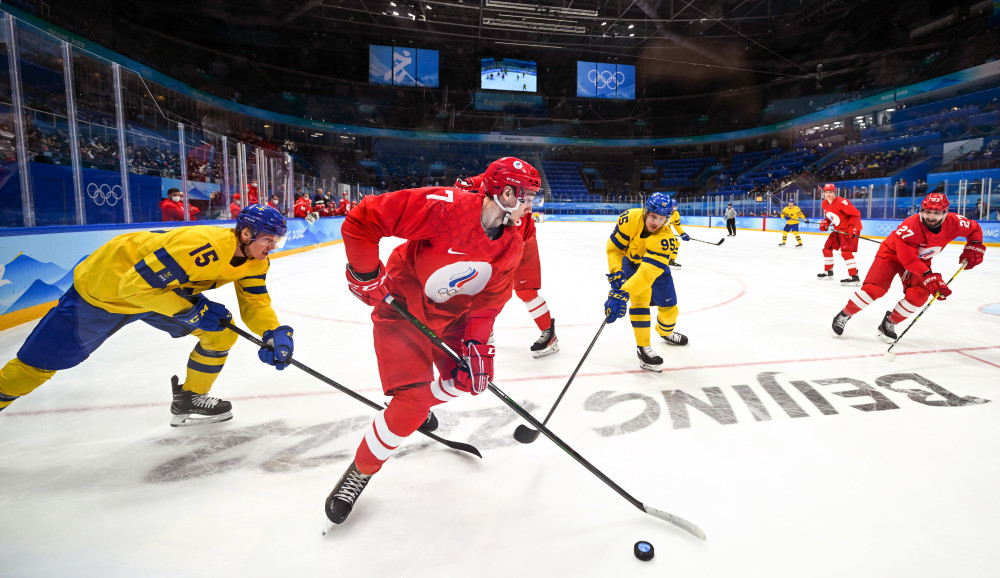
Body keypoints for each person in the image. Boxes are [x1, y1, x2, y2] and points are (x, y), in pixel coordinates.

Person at [326, 157, 540, 525]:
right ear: (506, 193)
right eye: (527, 197)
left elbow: (489, 302)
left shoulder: (511, 245)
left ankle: (419, 407)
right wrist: (365, 273)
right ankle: (361, 470)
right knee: (410, 404)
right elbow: (365, 218)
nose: (531, 205)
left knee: (470, 379)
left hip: (454, 315)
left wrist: (477, 346)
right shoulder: (447, 207)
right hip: (403, 304)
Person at [0, 205, 295, 426]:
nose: (272, 248)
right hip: (104, 292)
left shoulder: (255, 262)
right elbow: (133, 287)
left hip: (155, 291)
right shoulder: (203, 247)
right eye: (269, 240)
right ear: (246, 233)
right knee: (37, 364)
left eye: (277, 242)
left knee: (221, 332)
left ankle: (189, 398)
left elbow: (255, 303)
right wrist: (194, 312)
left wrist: (273, 332)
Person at [831, 193, 985, 341]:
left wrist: (975, 244)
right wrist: (927, 276)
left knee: (919, 296)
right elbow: (909, 261)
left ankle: (889, 323)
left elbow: (974, 229)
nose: (931, 216)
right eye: (928, 212)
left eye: (937, 213)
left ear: (945, 213)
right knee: (874, 289)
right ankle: (845, 314)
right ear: (921, 211)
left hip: (920, 260)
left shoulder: (956, 222)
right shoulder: (910, 226)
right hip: (891, 255)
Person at [455, 174, 557, 357]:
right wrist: (470, 182)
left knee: (525, 291)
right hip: (499, 241)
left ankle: (549, 334)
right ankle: (484, 329)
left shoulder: (518, 203)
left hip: (524, 242)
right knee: (482, 286)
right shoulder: (494, 189)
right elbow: (488, 177)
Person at [604, 192, 687, 373]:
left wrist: (622, 292)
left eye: (661, 218)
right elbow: (614, 250)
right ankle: (643, 347)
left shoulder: (665, 238)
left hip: (654, 267)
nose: (656, 222)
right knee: (640, 302)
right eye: (653, 216)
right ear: (646, 212)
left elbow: (647, 275)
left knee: (671, 309)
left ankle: (665, 331)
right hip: (631, 262)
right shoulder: (630, 218)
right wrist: (616, 272)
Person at [817, 183, 863, 286]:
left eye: (831, 192)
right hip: (838, 230)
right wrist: (826, 223)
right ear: (823, 193)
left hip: (849, 229)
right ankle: (828, 272)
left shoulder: (842, 202)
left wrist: (852, 228)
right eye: (826, 192)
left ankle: (854, 276)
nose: (828, 194)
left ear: (834, 192)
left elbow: (856, 214)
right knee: (827, 249)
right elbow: (830, 216)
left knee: (846, 252)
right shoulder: (824, 203)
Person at [666, 202, 690, 267]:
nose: (674, 208)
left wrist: (682, 233)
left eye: (675, 206)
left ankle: (672, 260)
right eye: (672, 206)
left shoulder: (676, 214)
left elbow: (677, 225)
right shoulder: (664, 212)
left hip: (667, 229)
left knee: (676, 243)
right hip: (657, 230)